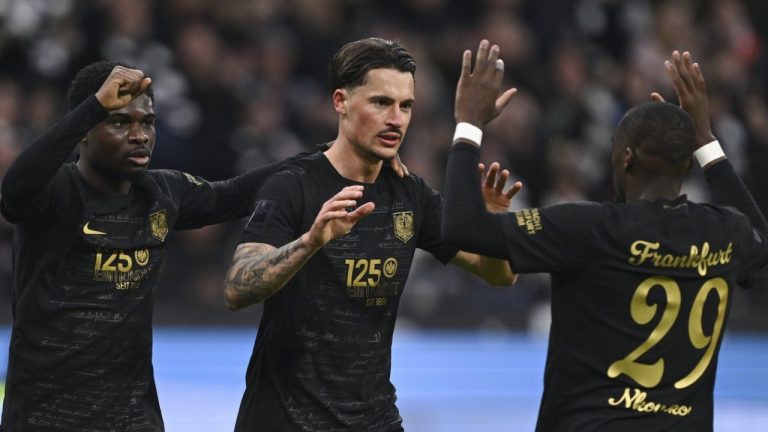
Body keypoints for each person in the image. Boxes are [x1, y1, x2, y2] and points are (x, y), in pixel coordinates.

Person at [0, 61, 407, 431]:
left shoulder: (160, 193)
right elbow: (13, 192)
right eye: (120, 123)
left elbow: (237, 193)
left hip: (130, 417)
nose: (140, 135)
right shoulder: (54, 194)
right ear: (85, 131)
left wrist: (347, 154)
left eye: (148, 122)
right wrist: (91, 106)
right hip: (45, 415)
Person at [442, 41, 768, 431]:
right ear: (686, 162)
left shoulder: (589, 228)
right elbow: (760, 242)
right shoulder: (721, 232)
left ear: (626, 157)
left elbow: (462, 227)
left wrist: (468, 124)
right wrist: (704, 139)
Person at [223, 37, 517, 431]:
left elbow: (500, 275)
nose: (396, 119)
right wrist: (311, 242)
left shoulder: (410, 193)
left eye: (406, 106)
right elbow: (237, 287)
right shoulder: (294, 186)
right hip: (283, 420)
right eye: (381, 103)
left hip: (373, 420)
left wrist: (492, 227)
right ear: (341, 101)